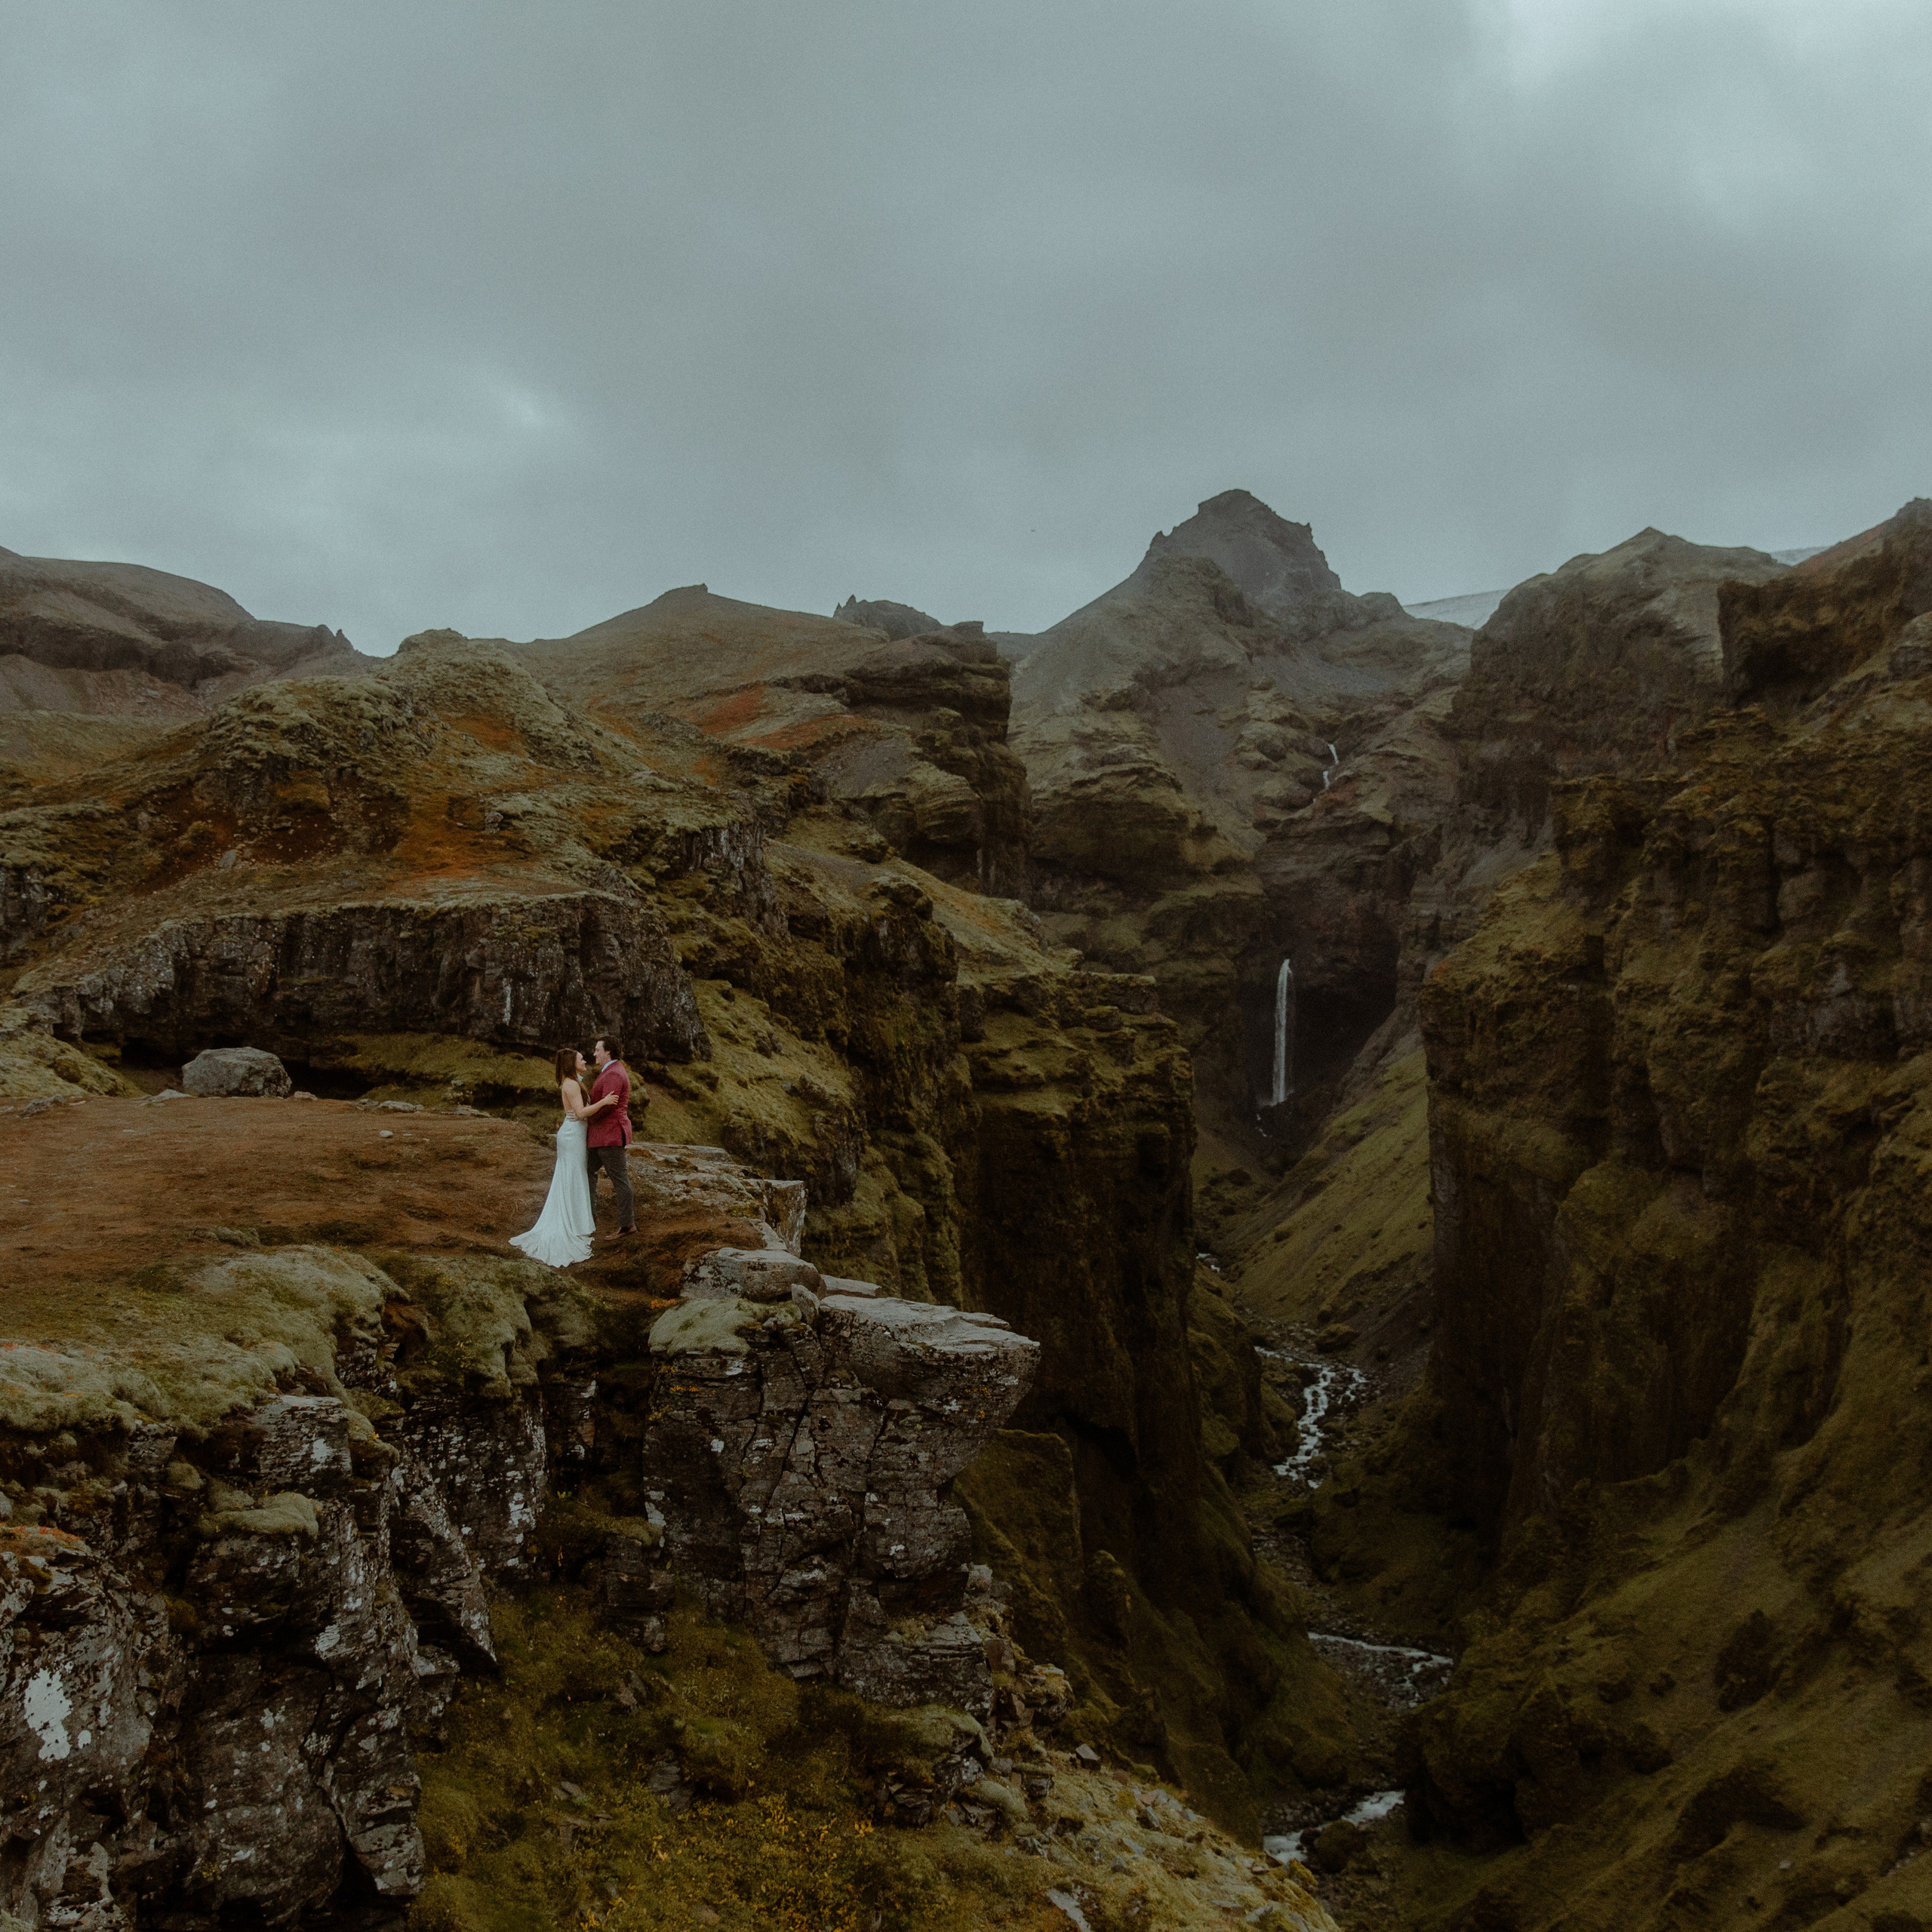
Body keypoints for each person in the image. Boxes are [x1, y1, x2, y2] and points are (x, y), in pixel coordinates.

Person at [508, 1048, 614, 1268]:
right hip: (573, 1135)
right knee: (573, 1175)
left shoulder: (573, 1082)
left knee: (573, 1175)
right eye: (580, 1058)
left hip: (574, 1134)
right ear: (571, 1063)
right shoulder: (571, 1084)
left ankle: (577, 1221)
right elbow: (581, 1113)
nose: (584, 1060)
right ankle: (573, 1224)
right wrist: (604, 1102)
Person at [585, 1034, 642, 1239]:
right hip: (603, 1136)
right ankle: (589, 1217)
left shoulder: (614, 1074)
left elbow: (609, 1105)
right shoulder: (610, 1072)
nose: (594, 1054)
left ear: (608, 1051)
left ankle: (627, 1225)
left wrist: (587, 1117)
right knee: (586, 1171)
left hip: (610, 1136)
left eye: (598, 1050)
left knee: (619, 1180)